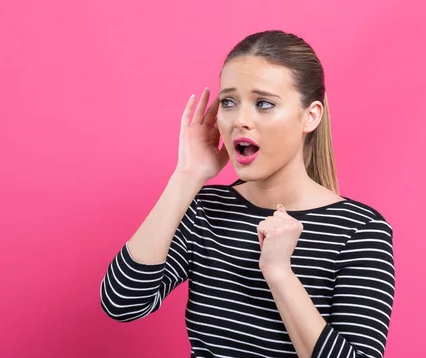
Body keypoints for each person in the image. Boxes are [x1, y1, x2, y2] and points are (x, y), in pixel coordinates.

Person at [99, 30, 395, 358]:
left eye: (264, 103)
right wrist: (187, 177)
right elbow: (122, 302)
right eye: (229, 102)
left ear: (310, 116)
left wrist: (280, 272)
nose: (240, 120)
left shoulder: (360, 231)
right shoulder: (205, 212)